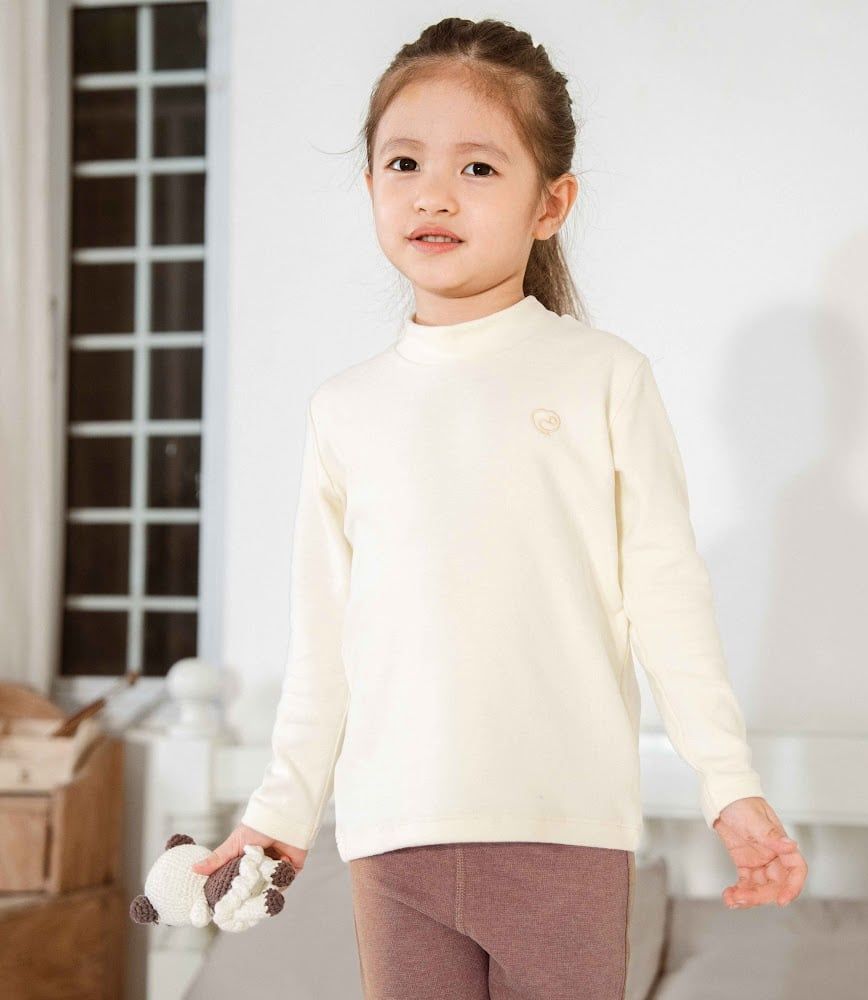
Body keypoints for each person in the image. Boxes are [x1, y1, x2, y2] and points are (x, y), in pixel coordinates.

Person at [192, 15, 807, 998]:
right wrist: (281, 809)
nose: (433, 193)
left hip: (563, 826)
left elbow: (666, 594)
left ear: (550, 203)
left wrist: (728, 782)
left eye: (477, 168)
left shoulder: (603, 377)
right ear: (369, 184)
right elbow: (326, 637)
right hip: (392, 835)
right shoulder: (344, 409)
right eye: (404, 163)